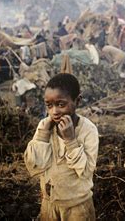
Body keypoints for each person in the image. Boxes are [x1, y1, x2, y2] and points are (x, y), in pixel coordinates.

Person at [24, 74, 99, 221]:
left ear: (77, 101)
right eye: (49, 105)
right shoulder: (45, 126)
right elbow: (34, 166)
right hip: (49, 203)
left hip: (77, 205)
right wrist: (42, 136)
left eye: (60, 104)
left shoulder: (88, 130)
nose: (54, 112)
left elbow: (86, 172)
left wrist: (71, 140)